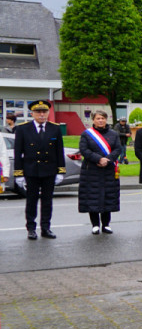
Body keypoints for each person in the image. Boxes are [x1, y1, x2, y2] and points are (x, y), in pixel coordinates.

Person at [12, 100, 65, 239]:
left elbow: (59, 151)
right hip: (31, 170)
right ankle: (31, 228)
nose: (41, 115)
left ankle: (46, 228)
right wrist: (18, 173)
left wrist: (61, 171)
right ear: (32, 113)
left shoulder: (55, 128)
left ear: (48, 113)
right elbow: (18, 152)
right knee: (31, 201)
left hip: (49, 170)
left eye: (44, 112)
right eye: (38, 112)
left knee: (47, 201)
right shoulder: (23, 129)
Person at [77, 110, 123, 234]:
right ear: (93, 120)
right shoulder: (87, 134)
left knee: (108, 196)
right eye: (98, 118)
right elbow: (84, 150)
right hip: (91, 170)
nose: (100, 120)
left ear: (106, 119)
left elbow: (118, 149)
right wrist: (98, 159)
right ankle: (95, 224)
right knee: (92, 197)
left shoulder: (113, 134)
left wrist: (107, 160)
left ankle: (106, 224)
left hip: (108, 169)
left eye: (103, 118)